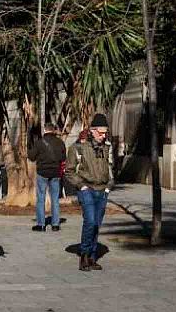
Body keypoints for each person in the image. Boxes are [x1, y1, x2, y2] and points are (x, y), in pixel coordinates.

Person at [65, 114, 114, 271]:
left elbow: (111, 167)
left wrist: (108, 187)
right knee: (90, 221)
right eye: (100, 132)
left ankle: (92, 257)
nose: (103, 135)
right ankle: (84, 255)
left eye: (105, 132)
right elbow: (69, 171)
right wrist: (81, 186)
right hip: (87, 188)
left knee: (97, 225)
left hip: (102, 190)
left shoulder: (107, 147)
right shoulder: (78, 147)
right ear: (92, 130)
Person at [27, 123, 66, 231]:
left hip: (42, 173)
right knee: (55, 199)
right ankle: (55, 224)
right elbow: (63, 157)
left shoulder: (39, 143)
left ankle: (41, 224)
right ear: (54, 130)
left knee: (40, 198)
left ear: (45, 130)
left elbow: (32, 157)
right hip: (55, 173)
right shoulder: (60, 142)